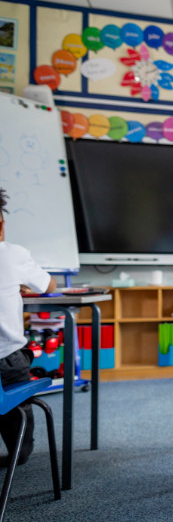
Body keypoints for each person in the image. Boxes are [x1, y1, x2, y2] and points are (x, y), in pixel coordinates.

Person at [0, 187, 57, 466]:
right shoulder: (13, 254)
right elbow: (50, 286)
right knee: (21, 361)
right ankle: (18, 453)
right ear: (1, 223)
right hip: (6, 362)